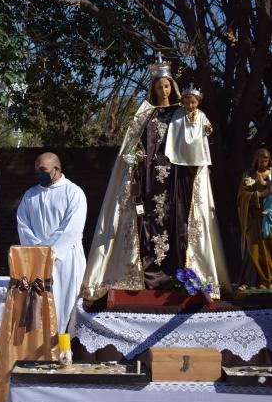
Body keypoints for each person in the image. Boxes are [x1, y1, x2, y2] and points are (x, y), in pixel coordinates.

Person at [82, 54, 229, 300]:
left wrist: (203, 131)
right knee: (147, 223)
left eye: (167, 85)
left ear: (173, 86)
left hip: (176, 180)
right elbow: (133, 144)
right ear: (153, 88)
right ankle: (142, 275)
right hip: (149, 179)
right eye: (159, 86)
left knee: (178, 223)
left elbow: (196, 138)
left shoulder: (182, 112)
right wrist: (134, 156)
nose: (163, 89)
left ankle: (180, 273)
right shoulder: (144, 115)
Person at [16, 152, 87, 333]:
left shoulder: (74, 193)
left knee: (65, 304)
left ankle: (65, 349)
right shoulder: (30, 194)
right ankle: (42, 349)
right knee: (39, 307)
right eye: (36, 170)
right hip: (37, 259)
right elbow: (23, 225)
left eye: (43, 170)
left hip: (65, 260)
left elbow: (71, 228)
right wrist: (38, 250)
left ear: (56, 169)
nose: (38, 174)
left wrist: (48, 250)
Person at [237, 148, 272, 289]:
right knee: (253, 248)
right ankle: (250, 281)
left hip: (268, 217)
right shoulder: (248, 175)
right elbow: (241, 197)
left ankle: (266, 281)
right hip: (253, 218)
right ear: (256, 159)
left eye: (267, 159)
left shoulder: (271, 174)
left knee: (268, 248)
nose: (264, 162)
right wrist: (259, 195)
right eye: (262, 159)